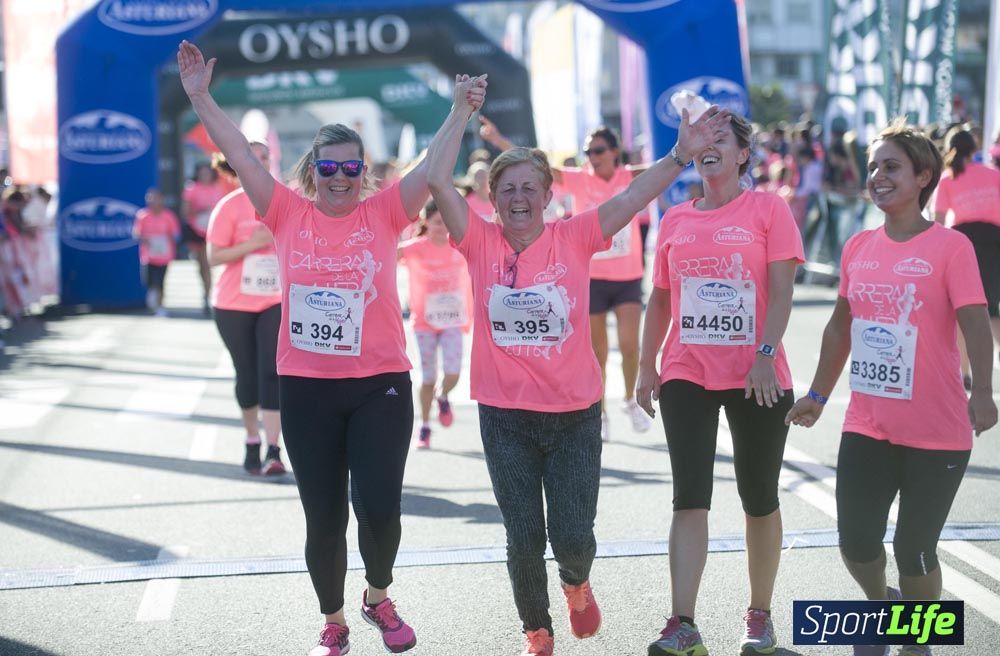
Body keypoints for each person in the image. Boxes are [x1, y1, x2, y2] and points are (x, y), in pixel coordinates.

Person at [178, 40, 486, 656]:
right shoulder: (284, 212)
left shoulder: (386, 213)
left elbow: (432, 165)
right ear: (313, 170)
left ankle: (378, 596)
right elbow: (237, 151)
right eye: (330, 168)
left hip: (381, 383)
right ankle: (335, 620)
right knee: (324, 517)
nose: (341, 179)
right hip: (308, 387)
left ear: (363, 172)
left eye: (351, 169)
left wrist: (459, 111)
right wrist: (201, 98)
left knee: (382, 510)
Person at [431, 74, 730, 656]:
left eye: (529, 187)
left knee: (572, 537)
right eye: (507, 189)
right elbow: (438, 179)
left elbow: (632, 198)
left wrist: (679, 155)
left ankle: (576, 580)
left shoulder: (574, 237)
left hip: (573, 415)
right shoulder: (478, 241)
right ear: (493, 198)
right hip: (504, 416)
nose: (519, 198)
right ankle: (536, 629)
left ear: (549, 196)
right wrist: (459, 113)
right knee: (522, 536)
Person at [786, 120, 997, 656]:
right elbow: (840, 328)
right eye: (874, 166)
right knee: (856, 543)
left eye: (892, 166)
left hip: (938, 431)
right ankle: (882, 606)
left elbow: (976, 324)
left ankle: (916, 639)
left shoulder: (951, 247)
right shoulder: (859, 246)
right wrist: (818, 396)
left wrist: (982, 391)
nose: (877, 176)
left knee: (914, 549)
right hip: (868, 424)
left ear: (924, 177)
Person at [636, 112, 804, 656]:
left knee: (759, 498)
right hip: (687, 369)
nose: (708, 146)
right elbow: (661, 298)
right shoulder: (675, 218)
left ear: (742, 155)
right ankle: (683, 623)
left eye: (721, 139)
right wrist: (646, 365)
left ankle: (759, 618)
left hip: (758, 374)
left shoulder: (769, 210)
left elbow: (782, 291)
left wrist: (765, 354)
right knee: (690, 496)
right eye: (702, 139)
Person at [479, 119, 652, 440]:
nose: (592, 156)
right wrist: (499, 139)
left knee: (630, 345)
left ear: (614, 152)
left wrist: (687, 153)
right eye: (588, 151)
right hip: (592, 277)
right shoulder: (578, 178)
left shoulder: (627, 177)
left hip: (627, 275)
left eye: (598, 150)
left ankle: (629, 399)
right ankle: (600, 411)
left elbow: (657, 174)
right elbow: (535, 166)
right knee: (598, 351)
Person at [205, 146, 286, 476]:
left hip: (275, 300)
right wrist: (253, 244)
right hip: (233, 304)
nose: (259, 163)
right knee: (247, 374)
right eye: (251, 157)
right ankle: (252, 438)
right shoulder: (228, 207)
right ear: (236, 166)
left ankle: (273, 448)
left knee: (272, 371)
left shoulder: (285, 201)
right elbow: (214, 257)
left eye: (264, 157)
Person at [398, 199, 473, 449]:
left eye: (446, 222)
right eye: (438, 222)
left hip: (453, 320)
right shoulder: (414, 248)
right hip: (424, 323)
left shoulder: (460, 246)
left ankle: (443, 396)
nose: (443, 228)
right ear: (425, 222)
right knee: (427, 377)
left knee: (453, 373)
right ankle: (425, 426)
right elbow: (384, 254)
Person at [932, 128, 1000, 388]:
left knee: (961, 308)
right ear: (974, 150)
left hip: (963, 242)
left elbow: (938, 221)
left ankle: (964, 373)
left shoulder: (947, 179)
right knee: (991, 307)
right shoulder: (993, 174)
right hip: (994, 240)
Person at [182, 162, 226, 314]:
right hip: (197, 231)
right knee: (202, 265)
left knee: (209, 264)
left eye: (207, 173)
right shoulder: (191, 188)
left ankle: (209, 294)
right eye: (202, 173)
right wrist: (201, 211)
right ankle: (206, 293)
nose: (205, 176)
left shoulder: (217, 188)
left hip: (214, 231)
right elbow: (186, 211)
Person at [132, 187, 181, 317]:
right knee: (149, 281)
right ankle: (153, 303)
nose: (153, 201)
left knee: (160, 282)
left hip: (164, 256)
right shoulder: (142, 215)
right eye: (150, 198)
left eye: (156, 198)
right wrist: (145, 239)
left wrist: (169, 240)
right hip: (148, 256)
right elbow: (136, 233)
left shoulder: (169, 216)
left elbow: (176, 235)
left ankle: (160, 306)